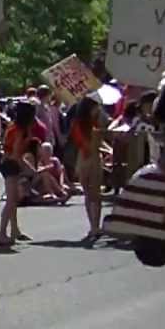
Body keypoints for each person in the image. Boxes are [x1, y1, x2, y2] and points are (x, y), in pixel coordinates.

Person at [0, 99, 46, 248]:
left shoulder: (13, 126)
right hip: (11, 164)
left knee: (13, 200)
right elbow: (16, 154)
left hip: (8, 163)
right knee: (11, 201)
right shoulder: (20, 131)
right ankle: (2, 234)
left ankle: (14, 230)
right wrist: (30, 169)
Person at [70, 94, 109, 244]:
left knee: (93, 193)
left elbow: (97, 142)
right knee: (91, 193)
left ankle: (95, 226)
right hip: (88, 157)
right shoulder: (84, 125)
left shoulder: (92, 123)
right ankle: (94, 225)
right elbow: (88, 144)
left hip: (88, 157)